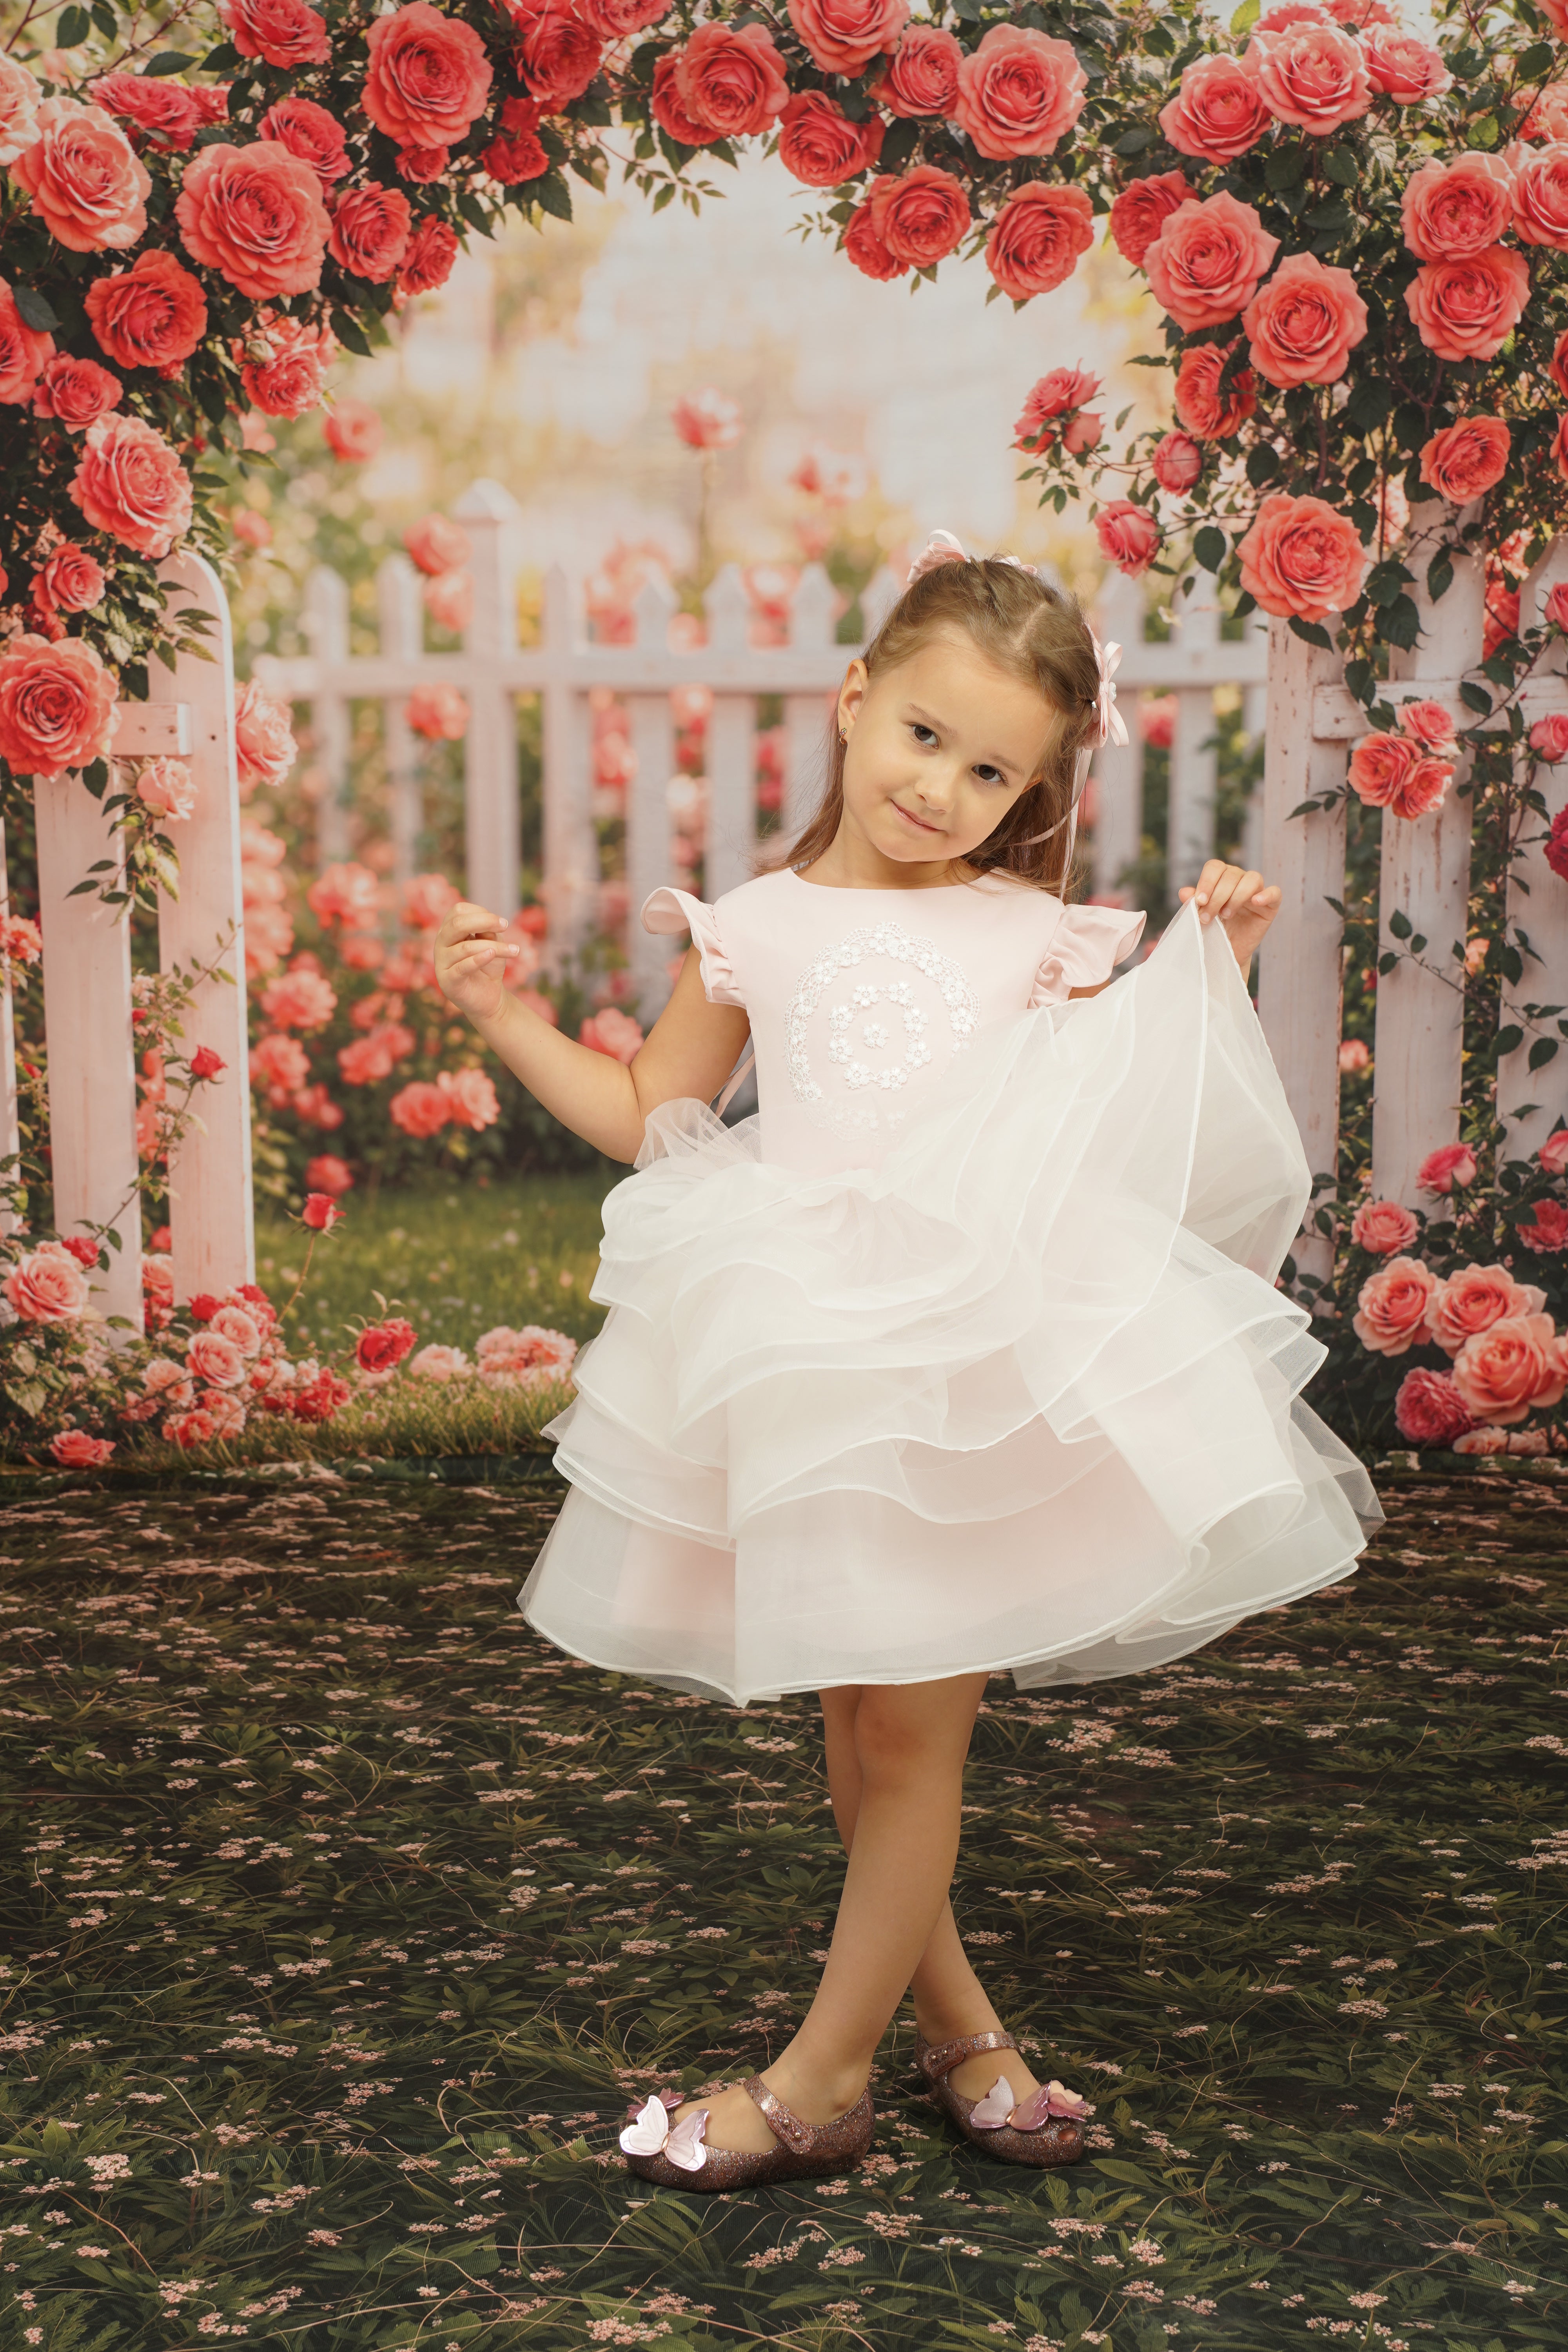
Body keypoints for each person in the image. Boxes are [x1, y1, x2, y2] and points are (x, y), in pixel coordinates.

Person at [433, 536, 1381, 2194]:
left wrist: (1203, 976)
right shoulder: (757, 928)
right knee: (859, 1725)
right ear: (856, 699)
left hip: (964, 1355)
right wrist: (511, 1018)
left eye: (991, 767)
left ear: (1034, 789)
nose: (942, 786)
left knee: (918, 1732)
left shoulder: (1038, 935)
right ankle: (968, 2036)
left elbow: (1110, 1120)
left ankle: (818, 2085)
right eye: (924, 737)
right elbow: (650, 1112)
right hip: (806, 1345)